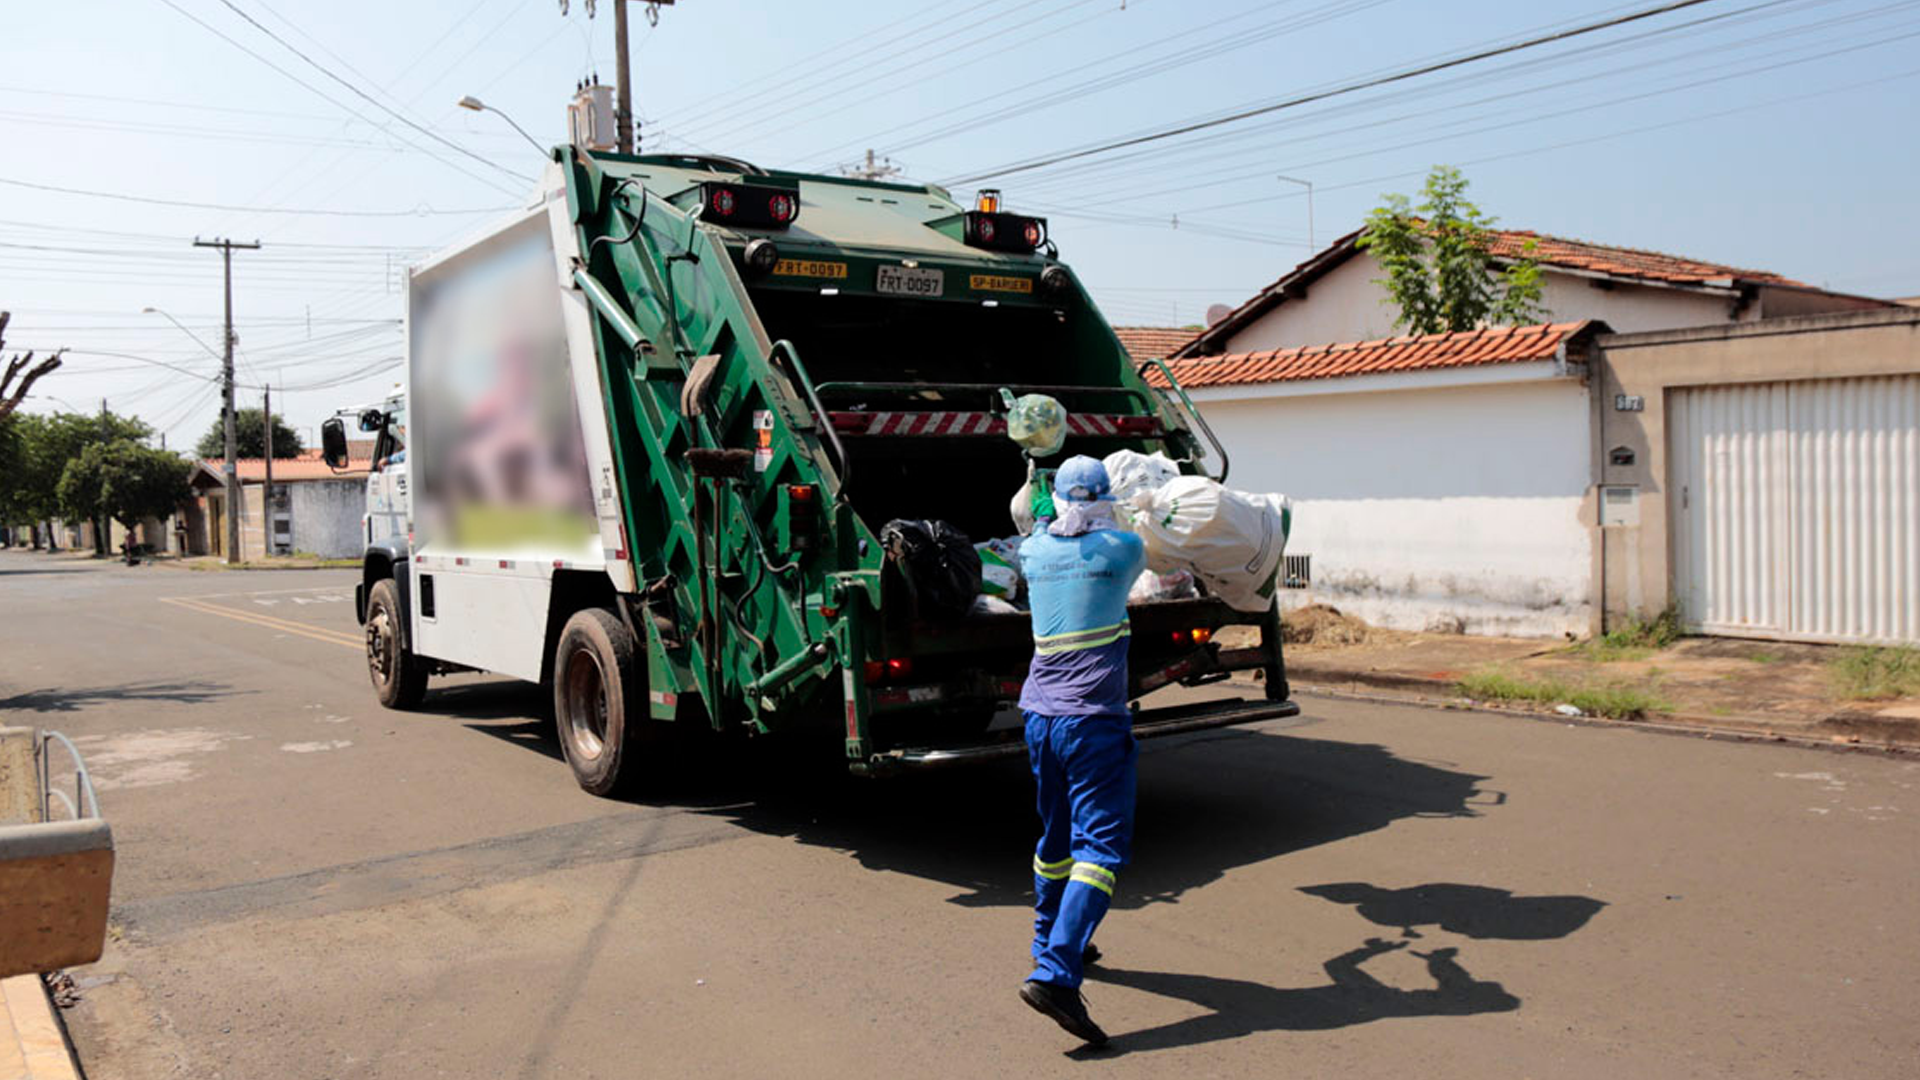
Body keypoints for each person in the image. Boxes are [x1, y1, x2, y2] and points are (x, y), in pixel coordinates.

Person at [1015, 455, 1147, 1047]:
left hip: (1039, 716)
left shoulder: (1034, 552)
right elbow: (1131, 533)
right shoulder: (1122, 551)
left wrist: (1036, 484)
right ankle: (1056, 973)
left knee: (1056, 839)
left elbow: (1028, 518)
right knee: (1101, 848)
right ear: (1104, 499)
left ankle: (1051, 942)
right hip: (1094, 723)